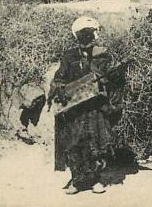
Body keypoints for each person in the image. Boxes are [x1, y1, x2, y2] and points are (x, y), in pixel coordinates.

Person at [48, 16, 122, 195]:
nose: (87, 40)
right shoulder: (69, 56)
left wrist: (106, 79)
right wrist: (61, 88)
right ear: (77, 37)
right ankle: (77, 181)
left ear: (94, 36)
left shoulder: (103, 55)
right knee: (74, 145)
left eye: (90, 35)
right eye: (83, 36)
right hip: (76, 110)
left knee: (96, 144)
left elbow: (116, 80)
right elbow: (59, 78)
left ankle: (97, 179)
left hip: (95, 109)